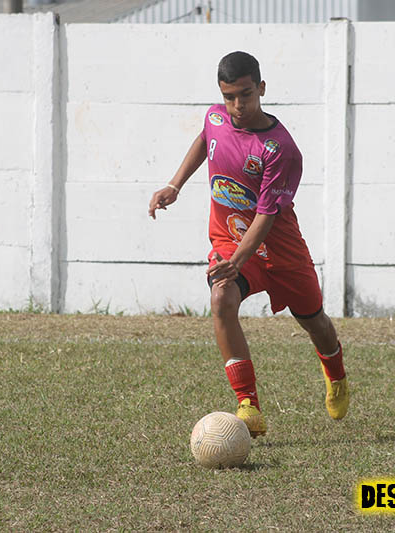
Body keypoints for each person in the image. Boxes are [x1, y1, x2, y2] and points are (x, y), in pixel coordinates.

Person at [148, 51, 348, 437]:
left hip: (281, 251)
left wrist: (238, 260)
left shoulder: (281, 149)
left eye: (246, 95)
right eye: (229, 97)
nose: (237, 105)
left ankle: (335, 372)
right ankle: (248, 404)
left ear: (262, 88)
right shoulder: (215, 118)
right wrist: (175, 185)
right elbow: (205, 139)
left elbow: (266, 216)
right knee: (222, 298)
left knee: (317, 324)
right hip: (231, 241)